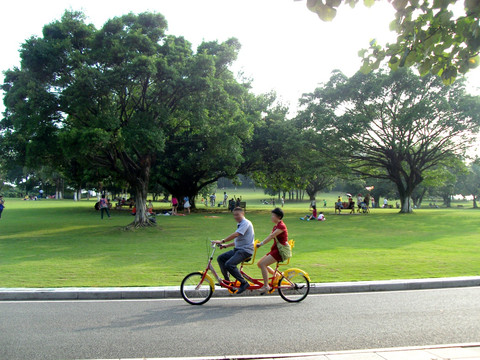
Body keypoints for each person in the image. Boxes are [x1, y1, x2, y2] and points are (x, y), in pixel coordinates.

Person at [212, 207, 255, 295]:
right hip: (239, 250)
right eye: (234, 215)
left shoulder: (245, 223)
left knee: (229, 264)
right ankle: (227, 282)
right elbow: (238, 240)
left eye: (237, 215)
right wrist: (226, 245)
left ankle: (244, 283)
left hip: (245, 251)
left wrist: (222, 241)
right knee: (221, 258)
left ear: (242, 214)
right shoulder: (240, 224)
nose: (235, 217)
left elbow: (236, 234)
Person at [256, 208, 288, 294]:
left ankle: (266, 285)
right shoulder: (276, 226)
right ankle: (276, 276)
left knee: (263, 264)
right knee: (259, 263)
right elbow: (270, 235)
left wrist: (261, 244)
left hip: (279, 252)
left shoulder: (281, 226)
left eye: (273, 215)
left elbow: (271, 236)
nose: (271, 217)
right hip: (275, 250)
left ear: (279, 217)